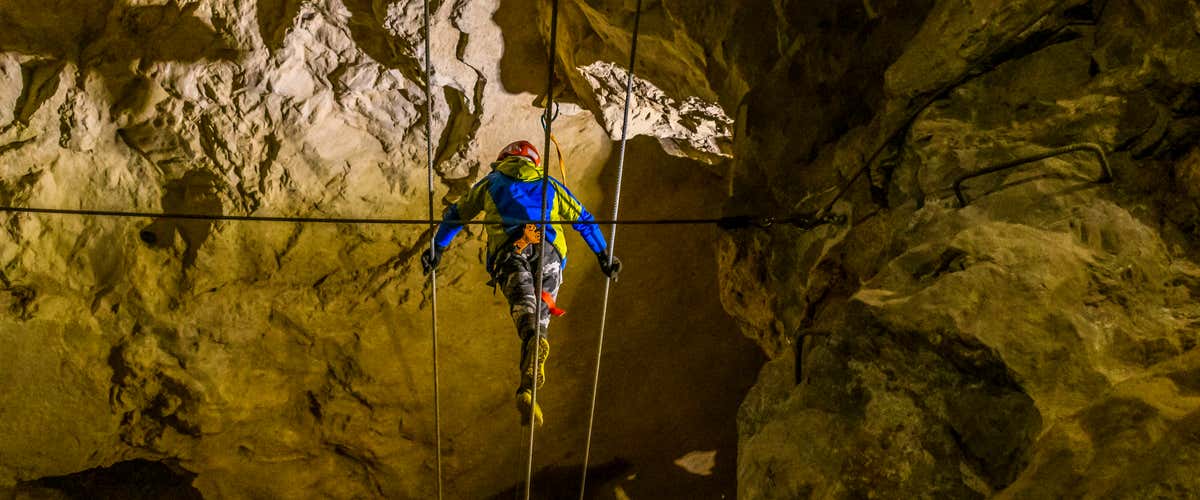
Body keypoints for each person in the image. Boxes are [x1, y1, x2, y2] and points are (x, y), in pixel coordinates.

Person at [420, 140, 621, 427]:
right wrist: (604, 255)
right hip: (549, 251)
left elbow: (457, 215)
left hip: (511, 250)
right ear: (534, 162)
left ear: (503, 159)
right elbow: (583, 219)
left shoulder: (491, 182)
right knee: (541, 313)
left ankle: (531, 354)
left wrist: (437, 248)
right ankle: (528, 385)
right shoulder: (548, 184)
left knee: (524, 308)